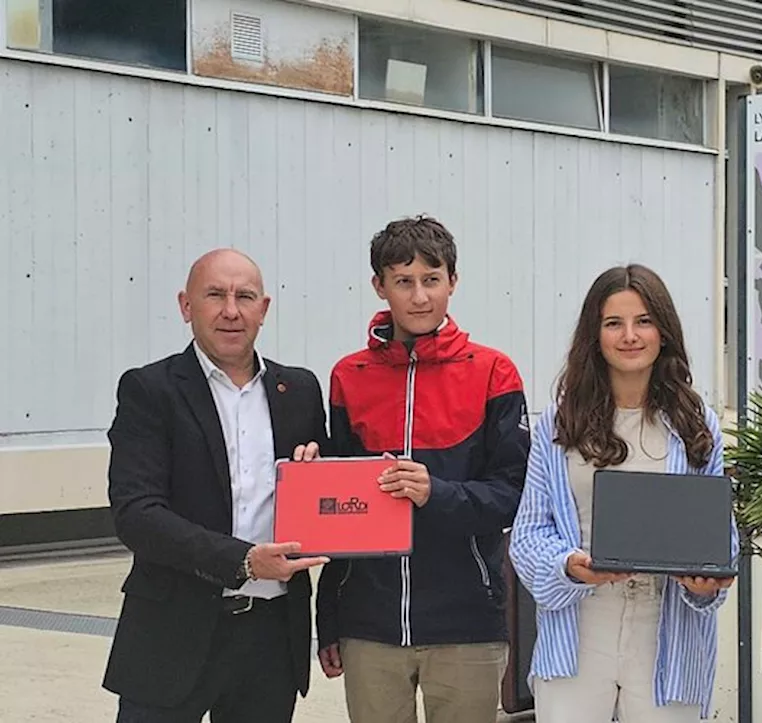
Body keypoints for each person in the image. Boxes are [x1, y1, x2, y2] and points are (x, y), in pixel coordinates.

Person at [314, 215, 531, 723]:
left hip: (467, 623)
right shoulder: (349, 376)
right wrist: (330, 620)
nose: (418, 297)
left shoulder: (493, 372)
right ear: (379, 286)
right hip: (369, 625)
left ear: (453, 281)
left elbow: (515, 494)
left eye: (431, 280)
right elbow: (337, 519)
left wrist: (437, 492)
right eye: (403, 282)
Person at [103, 248, 330, 722]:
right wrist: (242, 561)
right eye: (215, 295)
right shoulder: (150, 390)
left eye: (245, 296)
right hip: (171, 635)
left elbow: (326, 505)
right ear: (187, 306)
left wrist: (317, 479)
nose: (231, 310)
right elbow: (137, 515)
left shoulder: (300, 391)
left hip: (271, 640)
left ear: (263, 309)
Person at [509, 264, 737, 723]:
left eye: (644, 321)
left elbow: (719, 534)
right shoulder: (557, 425)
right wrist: (569, 567)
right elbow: (527, 534)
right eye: (614, 323)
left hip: (666, 629)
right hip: (580, 624)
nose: (630, 336)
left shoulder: (697, 423)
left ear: (664, 332)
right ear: (594, 335)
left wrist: (707, 580)